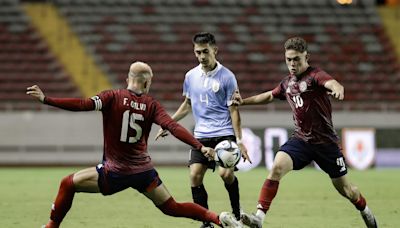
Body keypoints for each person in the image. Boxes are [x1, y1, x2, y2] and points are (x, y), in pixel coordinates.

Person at [26, 61, 243, 228]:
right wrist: (200, 146)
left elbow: (82, 104)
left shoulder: (112, 97)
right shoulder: (151, 105)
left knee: (67, 183)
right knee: (172, 207)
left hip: (115, 173)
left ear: (128, 78)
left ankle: (51, 226)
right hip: (144, 173)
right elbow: (172, 126)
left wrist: (47, 99)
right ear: (147, 82)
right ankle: (218, 218)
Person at [232, 37, 378, 228]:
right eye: (288, 59)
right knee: (276, 167)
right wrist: (243, 102)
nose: (292, 64)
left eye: (296, 59)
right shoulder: (287, 83)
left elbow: (332, 83)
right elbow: (268, 95)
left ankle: (365, 211)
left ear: (306, 57)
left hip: (326, 145)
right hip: (301, 140)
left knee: (348, 191)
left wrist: (337, 88)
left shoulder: (315, 75)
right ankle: (259, 217)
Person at [155, 32, 251, 228]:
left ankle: (236, 214)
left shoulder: (227, 77)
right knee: (194, 176)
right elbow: (187, 104)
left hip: (224, 134)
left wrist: (240, 140)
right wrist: (168, 123)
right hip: (201, 136)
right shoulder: (190, 76)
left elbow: (234, 111)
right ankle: (205, 222)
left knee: (225, 175)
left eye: (205, 52)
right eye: (197, 52)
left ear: (215, 50)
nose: (201, 56)